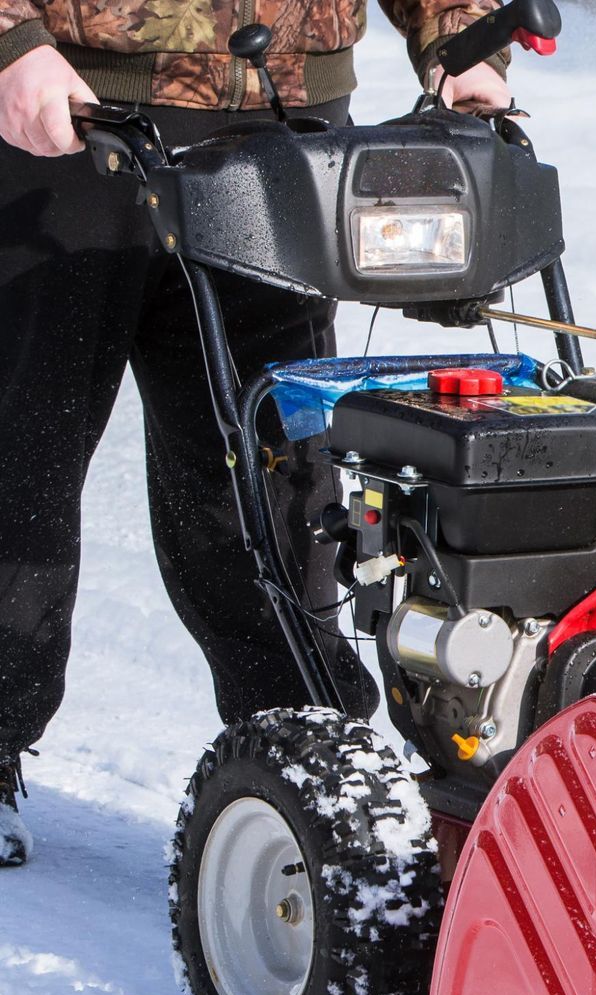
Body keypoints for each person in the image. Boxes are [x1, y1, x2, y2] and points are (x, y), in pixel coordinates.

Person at [0, 1, 513, 865]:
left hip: (286, 135)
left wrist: (462, 38)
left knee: (271, 479)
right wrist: (12, 44)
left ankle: (305, 769)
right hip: (62, 117)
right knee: (23, 457)